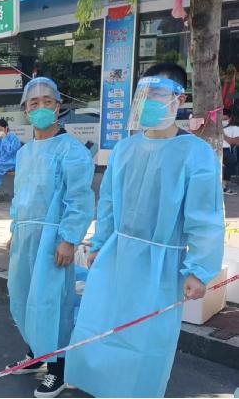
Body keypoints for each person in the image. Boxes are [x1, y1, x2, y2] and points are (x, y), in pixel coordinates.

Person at [65, 63, 225, 397]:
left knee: (146, 339)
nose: (149, 101)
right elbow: (109, 203)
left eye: (158, 94)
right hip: (116, 255)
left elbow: (205, 217)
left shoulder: (195, 154)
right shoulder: (125, 149)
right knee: (102, 325)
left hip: (160, 265)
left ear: (179, 99)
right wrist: (99, 243)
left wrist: (199, 269)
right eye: (144, 94)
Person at [5, 77, 95, 398]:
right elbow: (20, 198)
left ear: (58, 107)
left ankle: (58, 370)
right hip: (25, 238)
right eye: (34, 103)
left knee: (52, 303)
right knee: (23, 297)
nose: (41, 107)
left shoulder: (71, 150)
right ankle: (35, 354)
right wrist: (14, 230)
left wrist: (69, 239)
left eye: (47, 101)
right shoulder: (25, 152)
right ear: (26, 110)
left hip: (53, 240)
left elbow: (79, 199)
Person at [223, 108, 239, 195]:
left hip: (225, 149)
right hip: (211, 149)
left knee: (231, 160)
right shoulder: (211, 128)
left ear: (229, 118)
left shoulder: (234, 128)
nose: (223, 121)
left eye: (225, 119)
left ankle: (223, 185)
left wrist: (224, 136)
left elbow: (237, 142)